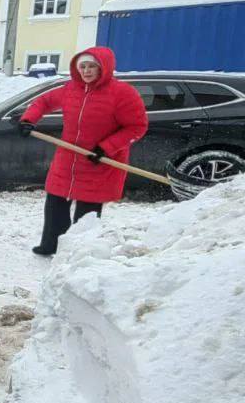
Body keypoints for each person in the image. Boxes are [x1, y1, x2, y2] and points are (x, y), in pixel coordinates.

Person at [18, 46, 148, 256]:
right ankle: (51, 244)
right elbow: (43, 102)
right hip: (67, 158)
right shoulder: (70, 89)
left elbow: (137, 127)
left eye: (92, 66)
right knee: (55, 202)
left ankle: (79, 251)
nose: (86, 71)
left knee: (87, 211)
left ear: (103, 68)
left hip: (98, 160)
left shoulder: (122, 93)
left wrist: (107, 147)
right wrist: (28, 120)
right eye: (83, 66)